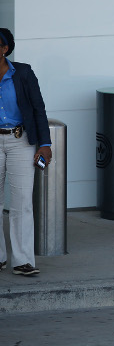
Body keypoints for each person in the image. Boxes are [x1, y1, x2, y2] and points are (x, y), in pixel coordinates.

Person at [0, 28, 52, 276]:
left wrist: (45, 144)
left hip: (21, 140)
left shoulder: (23, 73)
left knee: (21, 202)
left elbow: (38, 108)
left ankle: (22, 260)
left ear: (5, 49)